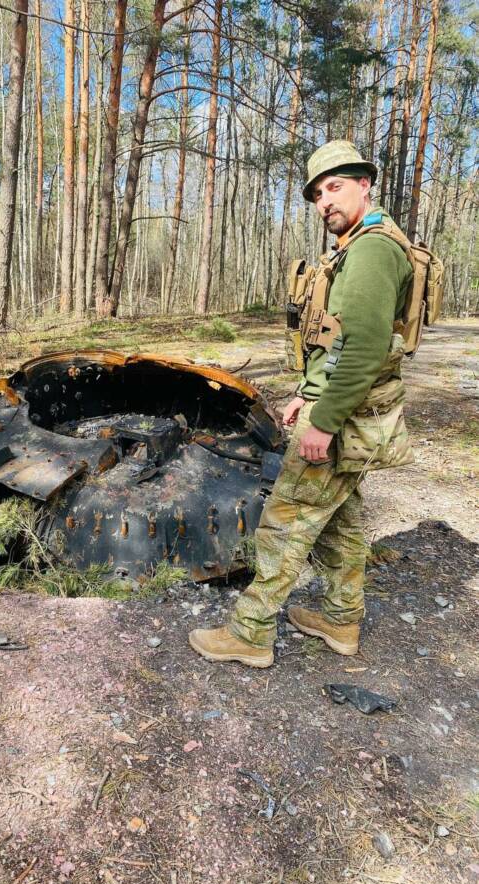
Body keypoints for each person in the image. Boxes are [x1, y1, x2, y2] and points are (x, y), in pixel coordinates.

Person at [189, 139, 415, 668]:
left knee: (286, 519)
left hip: (346, 416)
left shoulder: (372, 251)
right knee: (339, 522)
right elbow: (336, 342)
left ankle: (250, 633)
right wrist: (306, 394)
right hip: (348, 408)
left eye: (335, 187)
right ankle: (341, 619)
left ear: (365, 184)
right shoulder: (360, 244)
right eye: (317, 194)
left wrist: (324, 421)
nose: (324, 201)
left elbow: (364, 348)